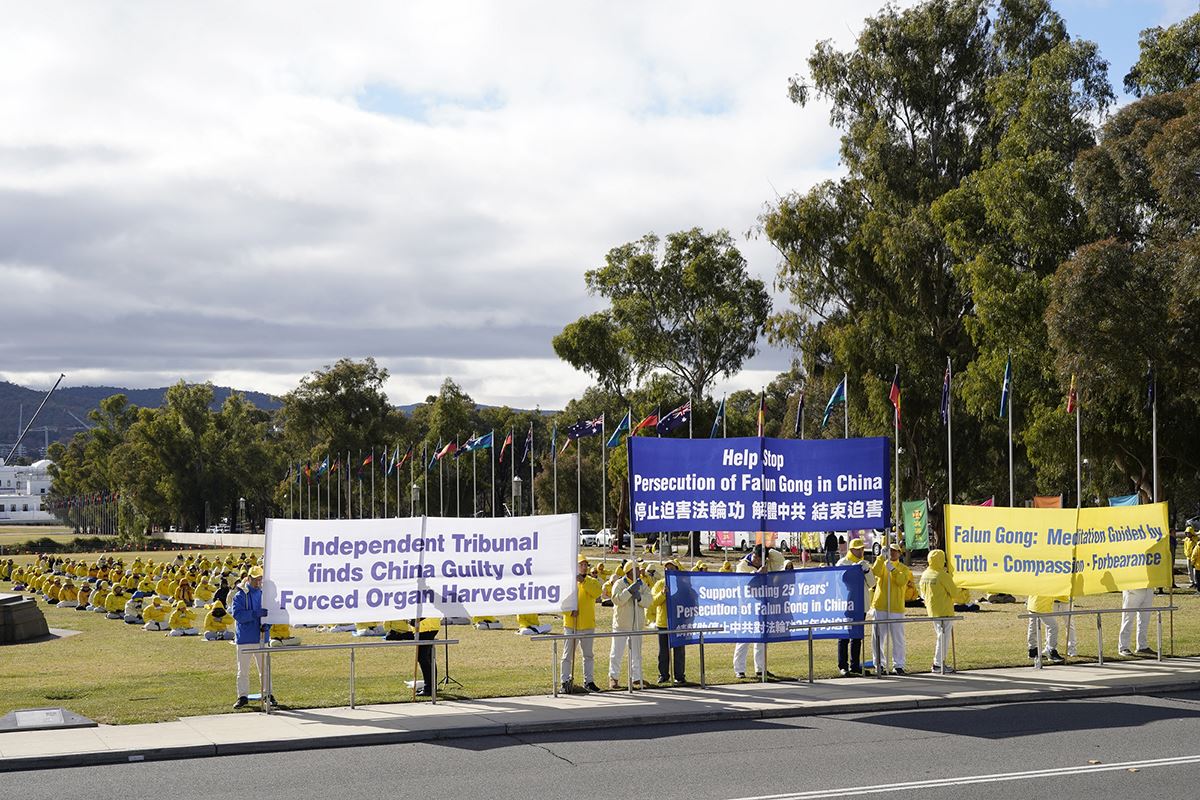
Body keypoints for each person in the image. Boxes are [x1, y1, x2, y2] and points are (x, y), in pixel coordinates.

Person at [734, 545, 786, 678]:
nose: (757, 561)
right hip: (747, 607)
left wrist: (767, 549)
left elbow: (780, 558)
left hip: (762, 606)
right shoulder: (743, 565)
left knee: (761, 639)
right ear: (753, 554)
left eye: (760, 558)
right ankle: (739, 669)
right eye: (756, 558)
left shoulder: (767, 561)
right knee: (744, 638)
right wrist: (757, 573)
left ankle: (760, 668)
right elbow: (745, 582)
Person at [231, 565, 273, 709]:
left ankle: (268, 694)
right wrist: (254, 614)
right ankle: (242, 696)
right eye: (255, 579)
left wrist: (268, 625)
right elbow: (238, 615)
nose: (258, 582)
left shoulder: (264, 595)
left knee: (265, 669)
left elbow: (271, 613)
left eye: (260, 579)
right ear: (249, 578)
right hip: (245, 638)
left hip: (261, 637)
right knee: (243, 670)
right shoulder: (240, 595)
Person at [561, 555, 602, 693]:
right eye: (581, 564)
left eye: (586, 565)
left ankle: (589, 681)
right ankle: (565, 681)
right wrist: (569, 612)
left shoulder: (591, 581)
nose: (584, 567)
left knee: (588, 655)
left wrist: (584, 581)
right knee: (567, 656)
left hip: (588, 625)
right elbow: (561, 603)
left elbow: (597, 593)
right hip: (571, 626)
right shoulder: (568, 582)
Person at [835, 537, 876, 676]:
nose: (861, 551)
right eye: (858, 549)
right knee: (844, 636)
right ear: (851, 549)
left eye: (862, 548)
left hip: (861, 605)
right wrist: (851, 571)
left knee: (857, 636)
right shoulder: (842, 563)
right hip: (846, 605)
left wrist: (867, 571)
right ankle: (842, 665)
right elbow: (839, 582)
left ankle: (855, 665)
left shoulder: (864, 563)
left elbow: (872, 584)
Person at [870, 543, 911, 675]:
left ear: (899, 553)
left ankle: (898, 664)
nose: (892, 553)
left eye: (895, 551)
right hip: (881, 605)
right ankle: (879, 664)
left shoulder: (904, 569)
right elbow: (874, 572)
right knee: (878, 637)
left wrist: (892, 570)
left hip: (896, 608)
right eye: (890, 551)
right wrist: (880, 557)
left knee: (898, 638)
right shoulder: (882, 565)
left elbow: (901, 581)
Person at [918, 549, 958, 673]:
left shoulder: (925, 574)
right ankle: (938, 663)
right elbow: (954, 593)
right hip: (944, 610)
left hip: (932, 610)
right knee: (943, 638)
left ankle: (939, 662)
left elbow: (922, 592)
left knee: (941, 636)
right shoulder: (942, 575)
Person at [608, 559, 645, 690]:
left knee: (637, 653)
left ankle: (637, 677)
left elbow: (649, 600)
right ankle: (613, 678)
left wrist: (640, 597)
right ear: (629, 572)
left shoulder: (642, 584)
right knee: (616, 652)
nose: (639, 572)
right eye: (636, 570)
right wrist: (629, 591)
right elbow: (617, 600)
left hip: (636, 624)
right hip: (621, 624)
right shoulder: (619, 583)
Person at [648, 559, 686, 685]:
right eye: (666, 568)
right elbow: (653, 602)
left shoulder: (683, 584)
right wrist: (663, 594)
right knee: (663, 651)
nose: (668, 571)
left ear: (677, 570)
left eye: (671, 568)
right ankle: (663, 675)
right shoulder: (659, 584)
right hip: (663, 622)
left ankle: (679, 675)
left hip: (678, 622)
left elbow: (690, 599)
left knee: (679, 651)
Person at [1025, 595, 1075, 663]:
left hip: (1032, 604)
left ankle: (1032, 651)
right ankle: (1051, 651)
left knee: (1033, 627)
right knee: (1053, 627)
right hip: (1042, 606)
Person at [1118, 584, 1156, 657]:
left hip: (1148, 586)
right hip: (1133, 586)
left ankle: (1142, 646)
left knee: (1145, 619)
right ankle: (1123, 647)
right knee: (1128, 618)